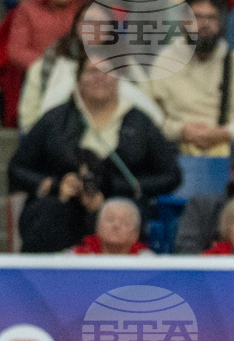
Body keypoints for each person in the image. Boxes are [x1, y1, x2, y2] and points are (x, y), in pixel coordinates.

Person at [8, 59, 182, 252]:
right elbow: (16, 169)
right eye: (92, 72)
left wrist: (114, 188)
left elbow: (172, 176)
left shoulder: (140, 122)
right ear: (78, 79)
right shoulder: (55, 119)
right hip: (62, 206)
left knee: (119, 216)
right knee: (50, 213)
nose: (100, 78)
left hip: (119, 201)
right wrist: (55, 185)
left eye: (108, 71)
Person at [148, 0, 234, 156]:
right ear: (184, 20)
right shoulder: (164, 61)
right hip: (175, 152)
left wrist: (226, 133)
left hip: (231, 153)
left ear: (221, 22)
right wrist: (179, 131)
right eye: (197, 17)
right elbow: (147, 116)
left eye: (211, 18)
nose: (204, 24)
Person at [18, 0, 162, 133]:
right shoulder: (48, 63)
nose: (93, 28)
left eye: (100, 23)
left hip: (118, 137)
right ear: (76, 24)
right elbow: (28, 118)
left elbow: (148, 107)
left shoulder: (125, 63)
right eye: (88, 21)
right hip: (57, 139)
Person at [69, 198, 153, 255]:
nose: (116, 225)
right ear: (98, 226)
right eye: (110, 219)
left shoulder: (148, 262)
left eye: (124, 222)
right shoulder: (74, 258)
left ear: (136, 233)